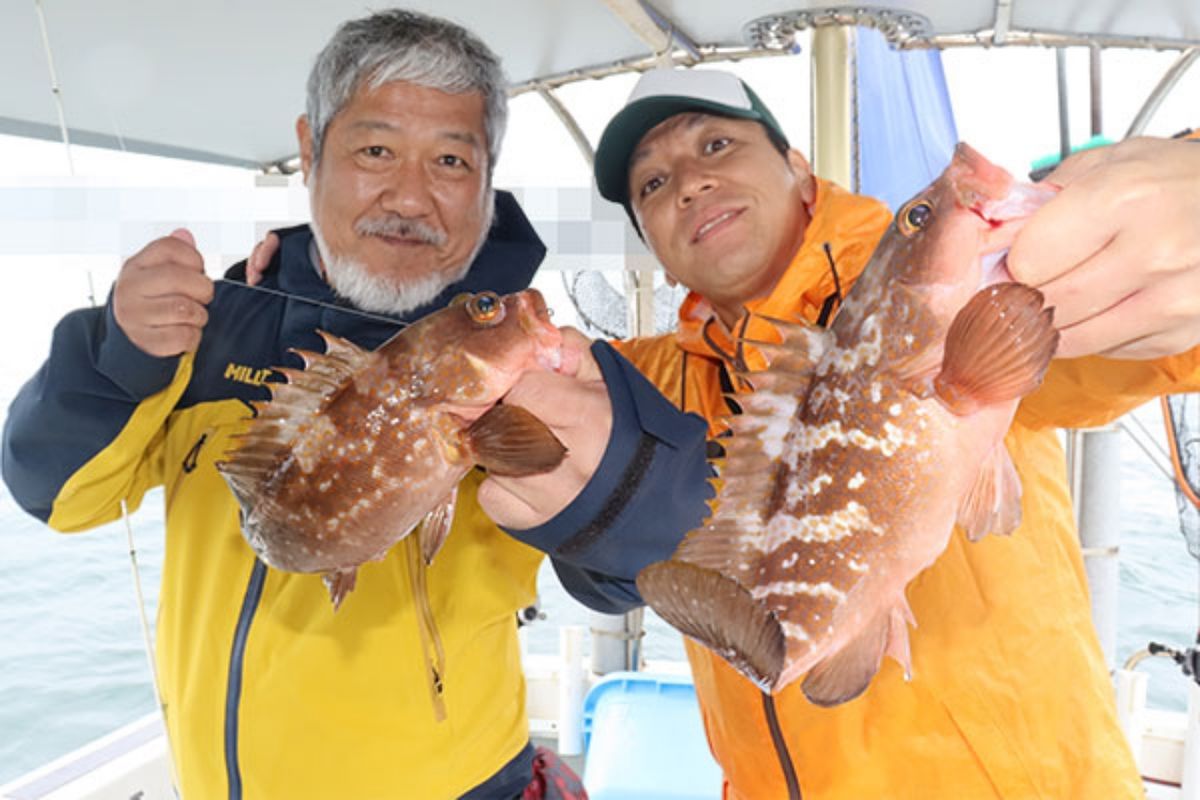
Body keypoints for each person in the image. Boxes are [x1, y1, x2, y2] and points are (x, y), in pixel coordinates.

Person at [473, 69, 1200, 798]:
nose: (689, 183)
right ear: (653, 246)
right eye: (653, 187)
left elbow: (1166, 340)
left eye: (717, 144)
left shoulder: (965, 294)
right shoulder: (641, 379)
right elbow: (595, 555)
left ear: (796, 168)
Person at [0, 10, 650, 799]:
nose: (409, 198)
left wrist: (619, 478)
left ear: (487, 181)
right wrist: (115, 353)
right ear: (310, 149)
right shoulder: (206, 333)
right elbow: (56, 493)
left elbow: (624, 576)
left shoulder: (542, 367)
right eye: (375, 150)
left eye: (450, 159)